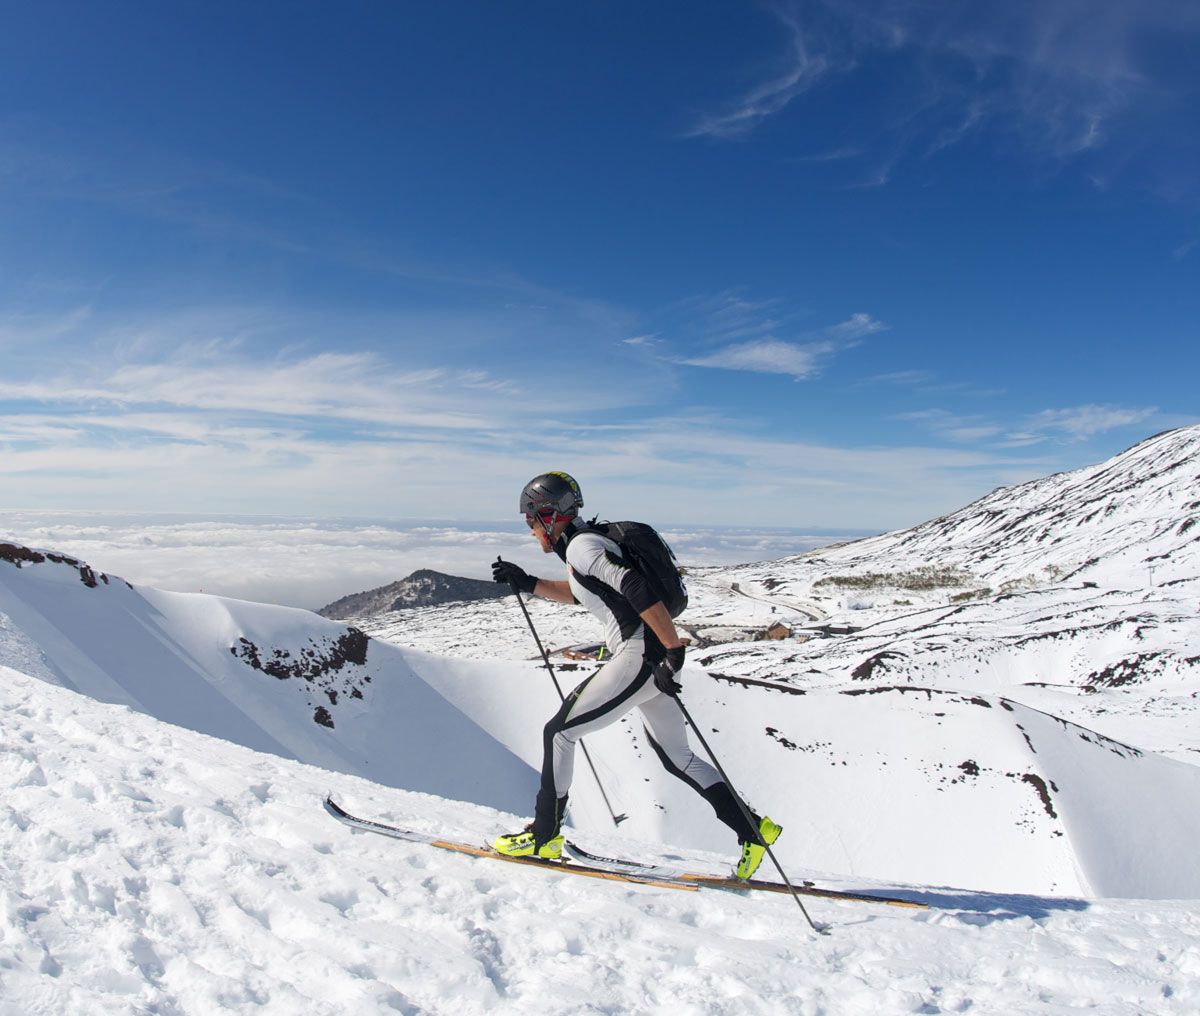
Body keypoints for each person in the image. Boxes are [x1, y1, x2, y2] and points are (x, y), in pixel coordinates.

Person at [490, 471, 781, 880]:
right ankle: (754, 830)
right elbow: (586, 592)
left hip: (640, 654)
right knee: (677, 757)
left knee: (559, 732)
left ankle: (543, 834)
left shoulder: (582, 547)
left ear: (549, 514)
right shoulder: (589, 546)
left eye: (530, 518)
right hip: (652, 656)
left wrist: (673, 654)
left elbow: (636, 588)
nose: (529, 527)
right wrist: (528, 583)